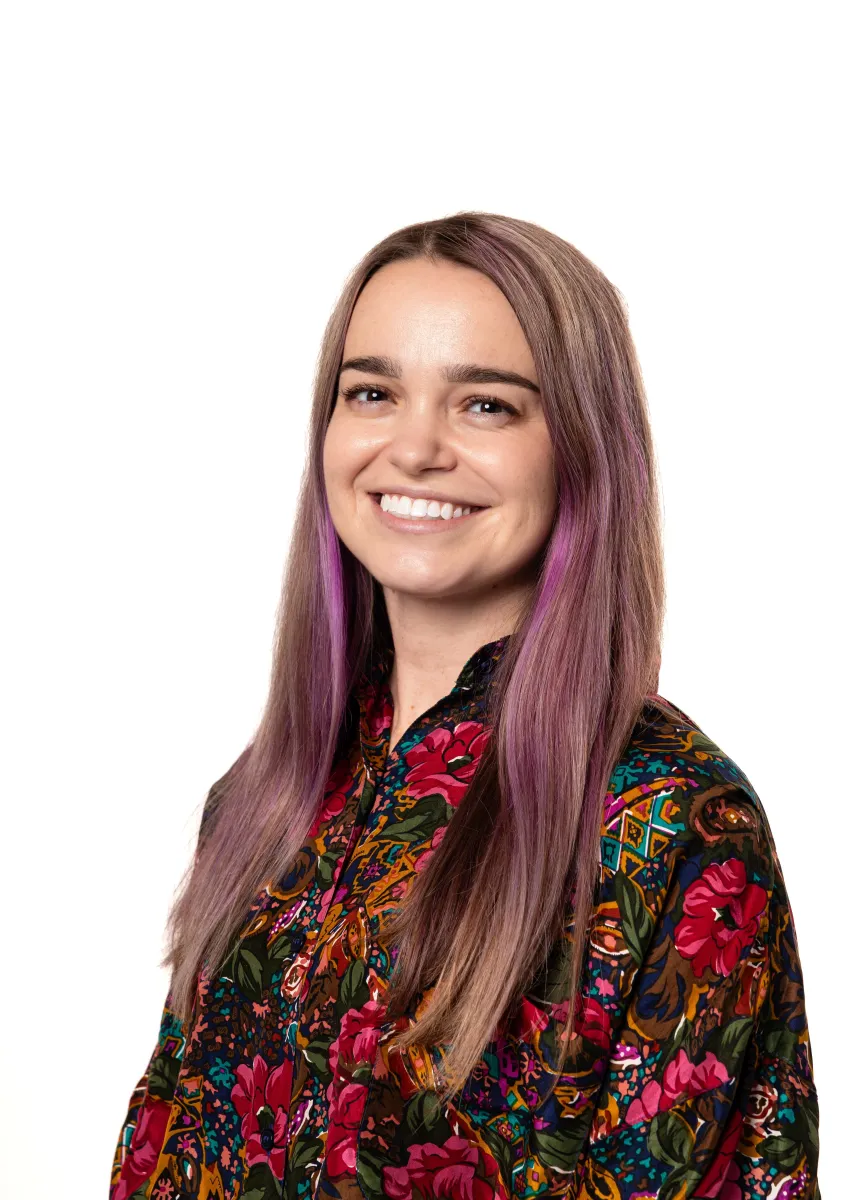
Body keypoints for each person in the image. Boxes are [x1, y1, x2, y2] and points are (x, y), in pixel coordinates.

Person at [110, 212, 819, 1200]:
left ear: (580, 448)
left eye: (486, 406)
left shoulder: (673, 822)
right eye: (372, 392)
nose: (415, 448)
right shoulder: (262, 799)